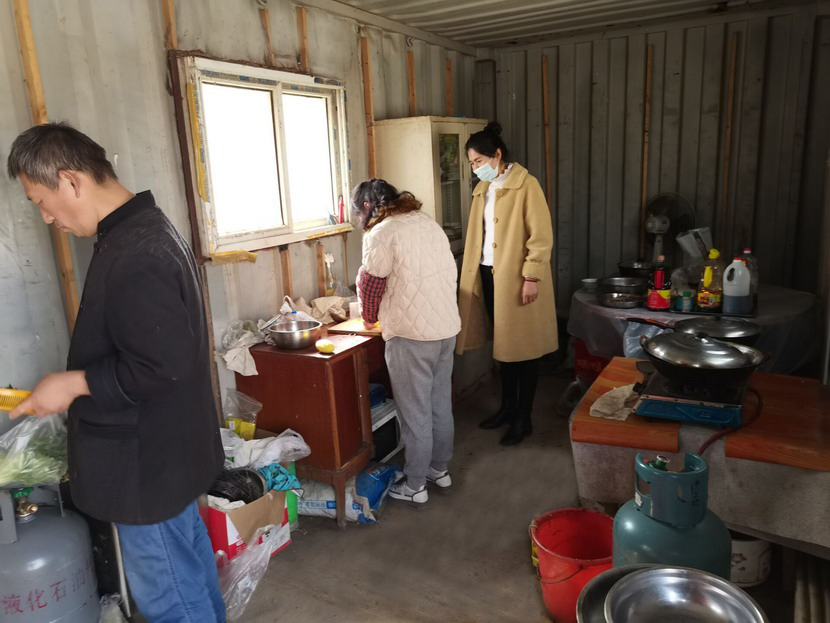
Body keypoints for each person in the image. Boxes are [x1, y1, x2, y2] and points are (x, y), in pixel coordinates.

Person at [7, 123, 226, 623]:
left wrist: (73, 383)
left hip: (146, 467)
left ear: (71, 180)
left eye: (41, 201)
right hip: (167, 456)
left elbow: (163, 364)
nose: (46, 217)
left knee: (170, 598)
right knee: (189, 577)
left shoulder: (137, 252)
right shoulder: (141, 230)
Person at [353, 179, 461, 506]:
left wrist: (369, 317)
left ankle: (415, 485)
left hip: (411, 337)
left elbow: (371, 282)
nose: (359, 218)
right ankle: (438, 470)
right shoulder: (426, 222)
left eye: (358, 212)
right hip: (445, 329)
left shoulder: (381, 232)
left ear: (368, 206)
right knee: (439, 405)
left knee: (415, 415)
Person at [456, 121, 558, 446]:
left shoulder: (527, 185)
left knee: (524, 350)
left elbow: (541, 237)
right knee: (504, 347)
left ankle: (523, 418)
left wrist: (531, 276)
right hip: (489, 276)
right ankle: (507, 408)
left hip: (518, 279)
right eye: (472, 163)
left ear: (497, 155)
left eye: (478, 161)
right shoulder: (483, 189)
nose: (475, 168)